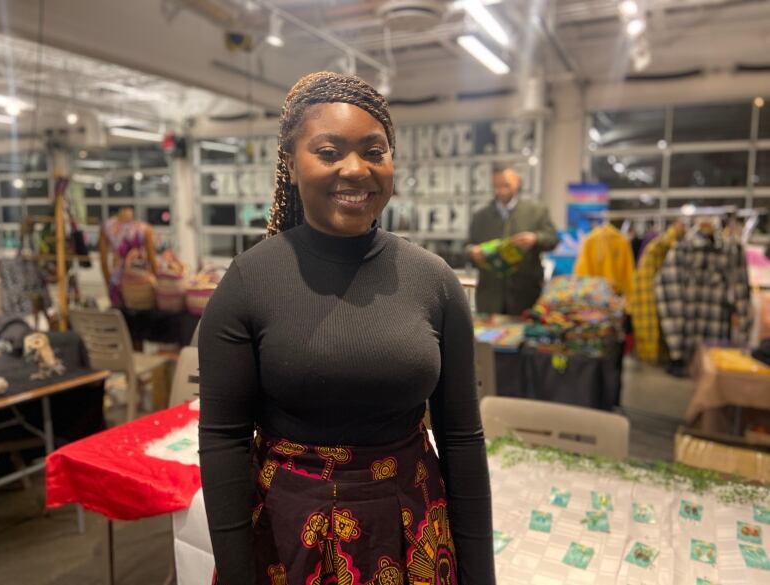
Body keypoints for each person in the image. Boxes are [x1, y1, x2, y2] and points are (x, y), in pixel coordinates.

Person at [199, 72, 495, 585]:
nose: (355, 169)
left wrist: (480, 574)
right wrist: (236, 570)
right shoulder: (250, 281)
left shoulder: (434, 281)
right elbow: (223, 439)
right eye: (329, 151)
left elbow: (463, 439)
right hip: (287, 530)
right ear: (292, 165)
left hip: (411, 526)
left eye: (374, 151)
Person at [468, 167, 559, 315]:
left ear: (518, 183)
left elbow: (553, 239)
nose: (501, 191)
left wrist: (536, 238)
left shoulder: (536, 211)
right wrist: (472, 252)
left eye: (506, 185)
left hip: (525, 295)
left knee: (523, 336)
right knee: (487, 336)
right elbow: (468, 246)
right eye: (496, 186)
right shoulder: (481, 217)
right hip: (490, 296)